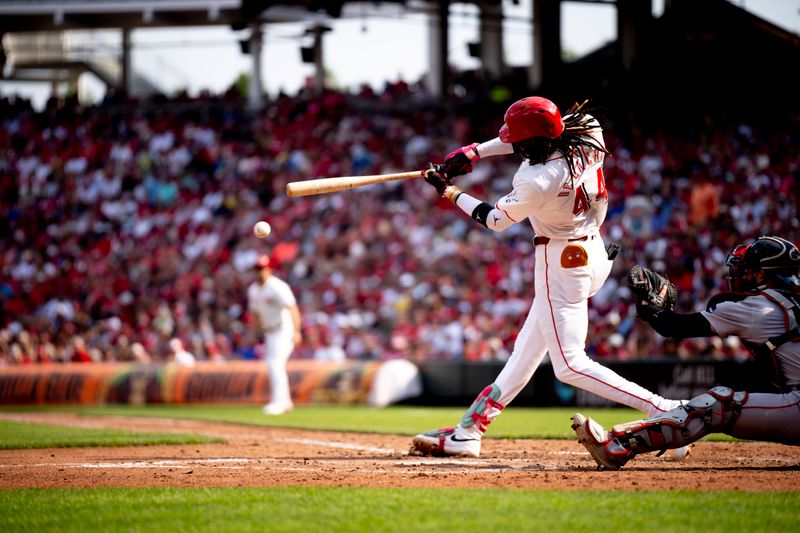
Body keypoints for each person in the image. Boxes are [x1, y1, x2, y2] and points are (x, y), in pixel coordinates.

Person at [411, 96, 684, 458]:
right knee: (523, 355)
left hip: (561, 263)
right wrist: (476, 152)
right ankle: (469, 431)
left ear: (533, 143)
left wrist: (449, 191)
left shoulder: (536, 178)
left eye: (518, 140)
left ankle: (665, 409)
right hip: (593, 250)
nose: (512, 143)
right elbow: (537, 132)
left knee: (569, 365)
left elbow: (495, 220)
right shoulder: (587, 130)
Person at [572, 235, 800, 470]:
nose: (741, 275)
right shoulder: (788, 303)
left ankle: (618, 445)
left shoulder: (758, 307)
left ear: (763, 274)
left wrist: (652, 308)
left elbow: (671, 326)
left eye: (749, 270)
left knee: (716, 405)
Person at [247, 254, 302, 415]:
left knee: (275, 364)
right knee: (274, 364)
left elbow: (292, 307)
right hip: (269, 332)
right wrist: (252, 332)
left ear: (269, 269)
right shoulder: (253, 290)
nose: (260, 272)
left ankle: (279, 402)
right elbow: (255, 315)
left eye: (262, 269)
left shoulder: (277, 286)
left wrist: (297, 331)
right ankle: (285, 402)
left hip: (284, 328)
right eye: (257, 269)